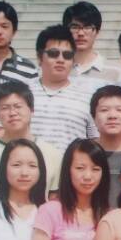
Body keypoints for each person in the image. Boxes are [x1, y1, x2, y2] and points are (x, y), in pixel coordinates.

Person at [0, 81, 62, 199]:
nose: (12, 113)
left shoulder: (53, 154)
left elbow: (54, 200)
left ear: (32, 110)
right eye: (5, 108)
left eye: (18, 106)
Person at [29, 25, 99, 153]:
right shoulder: (21, 93)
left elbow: (95, 142)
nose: (61, 60)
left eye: (67, 55)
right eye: (53, 54)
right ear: (39, 57)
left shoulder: (88, 97)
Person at [63, 0, 121, 84]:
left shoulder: (116, 72)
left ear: (97, 32)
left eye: (87, 27)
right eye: (75, 27)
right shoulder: (58, 69)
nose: (81, 33)